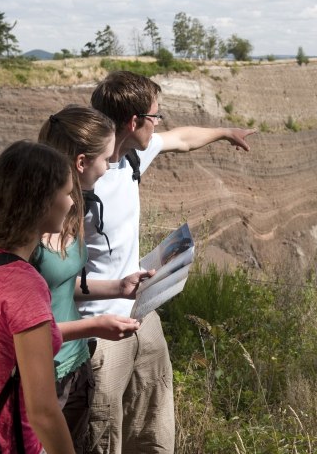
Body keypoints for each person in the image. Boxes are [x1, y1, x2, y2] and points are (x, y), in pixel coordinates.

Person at [80, 70, 255, 454]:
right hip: (99, 329)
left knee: (152, 425)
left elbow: (183, 139)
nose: (159, 124)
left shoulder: (133, 156)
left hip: (143, 312)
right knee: (102, 433)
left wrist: (226, 132)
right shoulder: (79, 182)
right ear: (134, 121)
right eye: (155, 116)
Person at [36, 105, 153, 453]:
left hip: (74, 366)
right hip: (45, 372)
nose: (111, 164)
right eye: (105, 157)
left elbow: (58, 285)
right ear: (82, 162)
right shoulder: (37, 221)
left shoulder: (71, 210)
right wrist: (94, 326)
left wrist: (118, 287)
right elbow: (25, 327)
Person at [0, 140, 77, 454]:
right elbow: (44, 413)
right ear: (41, 201)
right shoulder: (22, 284)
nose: (72, 203)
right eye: (66, 193)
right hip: (9, 442)